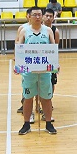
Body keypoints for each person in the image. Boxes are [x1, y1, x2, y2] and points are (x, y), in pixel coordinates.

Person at [16, 7, 57, 135]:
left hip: (44, 71)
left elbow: (53, 48)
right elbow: (19, 49)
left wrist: (56, 63)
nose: (38, 17)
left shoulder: (48, 31)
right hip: (29, 71)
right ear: (29, 16)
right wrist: (18, 65)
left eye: (40, 14)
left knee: (46, 98)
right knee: (28, 97)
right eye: (35, 15)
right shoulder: (24, 31)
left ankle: (49, 123)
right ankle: (26, 124)